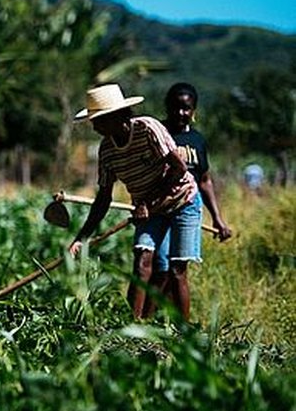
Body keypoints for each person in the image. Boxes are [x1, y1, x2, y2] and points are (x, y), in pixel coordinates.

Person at [68, 83, 200, 320]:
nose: (94, 125)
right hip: (149, 210)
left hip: (183, 200)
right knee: (142, 261)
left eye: (98, 119)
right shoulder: (107, 150)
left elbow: (179, 168)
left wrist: (150, 202)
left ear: (116, 116)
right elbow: (103, 198)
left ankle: (185, 334)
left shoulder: (148, 128)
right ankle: (133, 328)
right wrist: (82, 237)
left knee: (177, 269)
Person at [153, 82, 233, 295]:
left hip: (187, 207)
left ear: (193, 110)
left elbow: (204, 180)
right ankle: (143, 321)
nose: (181, 113)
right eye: (176, 107)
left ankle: (176, 323)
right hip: (159, 208)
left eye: (186, 108)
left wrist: (217, 218)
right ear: (167, 107)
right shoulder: (157, 134)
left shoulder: (197, 140)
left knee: (178, 268)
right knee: (159, 266)